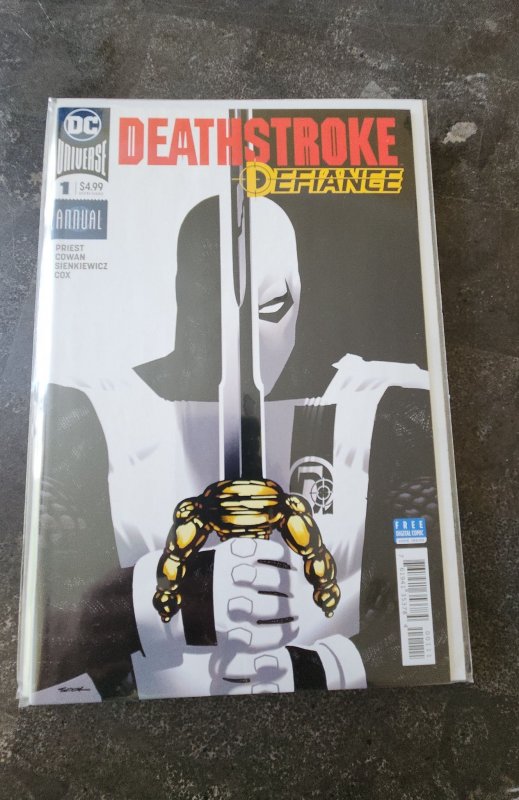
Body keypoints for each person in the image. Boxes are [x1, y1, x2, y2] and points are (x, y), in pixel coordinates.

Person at [31, 196, 447, 703]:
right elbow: (42, 644)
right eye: (212, 308)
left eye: (270, 308)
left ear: (298, 293)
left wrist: (324, 669)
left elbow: (440, 607)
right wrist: (170, 598)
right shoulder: (89, 414)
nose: (240, 344)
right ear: (181, 295)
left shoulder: (386, 409)